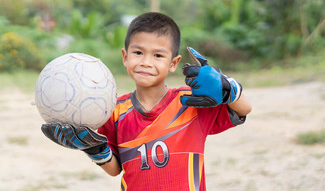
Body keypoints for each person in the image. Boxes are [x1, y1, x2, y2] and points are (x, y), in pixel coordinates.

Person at [41, 12, 252, 191]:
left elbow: (243, 110)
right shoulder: (112, 110)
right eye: (138, 52)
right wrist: (94, 149)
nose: (146, 62)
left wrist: (228, 89)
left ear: (173, 63)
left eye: (158, 55)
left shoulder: (192, 102)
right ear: (125, 56)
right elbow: (115, 169)